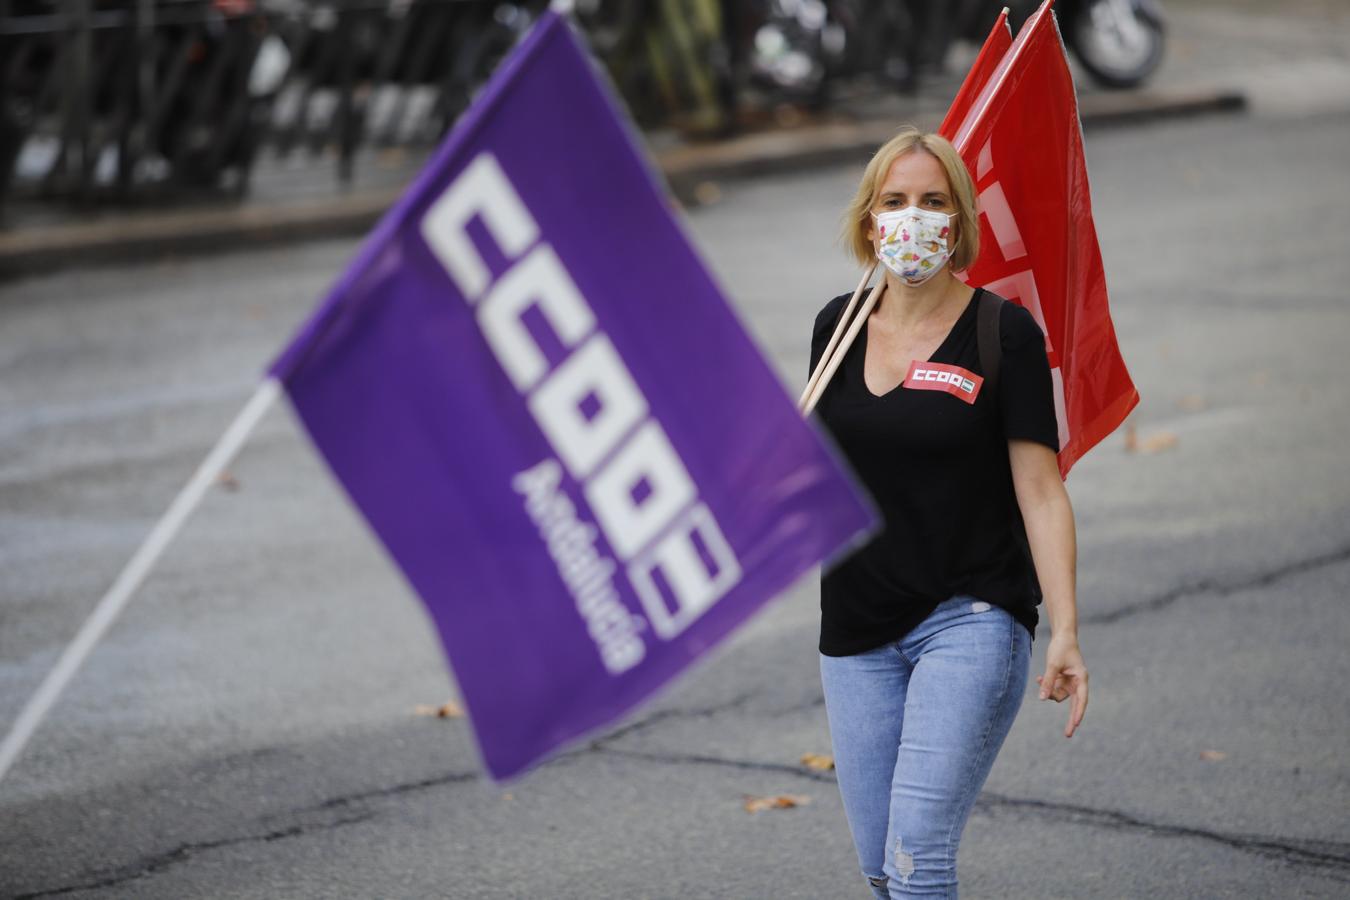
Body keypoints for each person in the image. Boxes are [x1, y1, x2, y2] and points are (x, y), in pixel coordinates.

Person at [807, 126, 1088, 899]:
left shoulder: (1003, 334)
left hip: (969, 619)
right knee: (880, 866)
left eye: (933, 202)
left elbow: (1040, 489)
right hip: (857, 631)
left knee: (917, 855)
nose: (913, 218)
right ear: (868, 221)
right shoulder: (835, 330)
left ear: (961, 223)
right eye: (894, 201)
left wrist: (1063, 625)